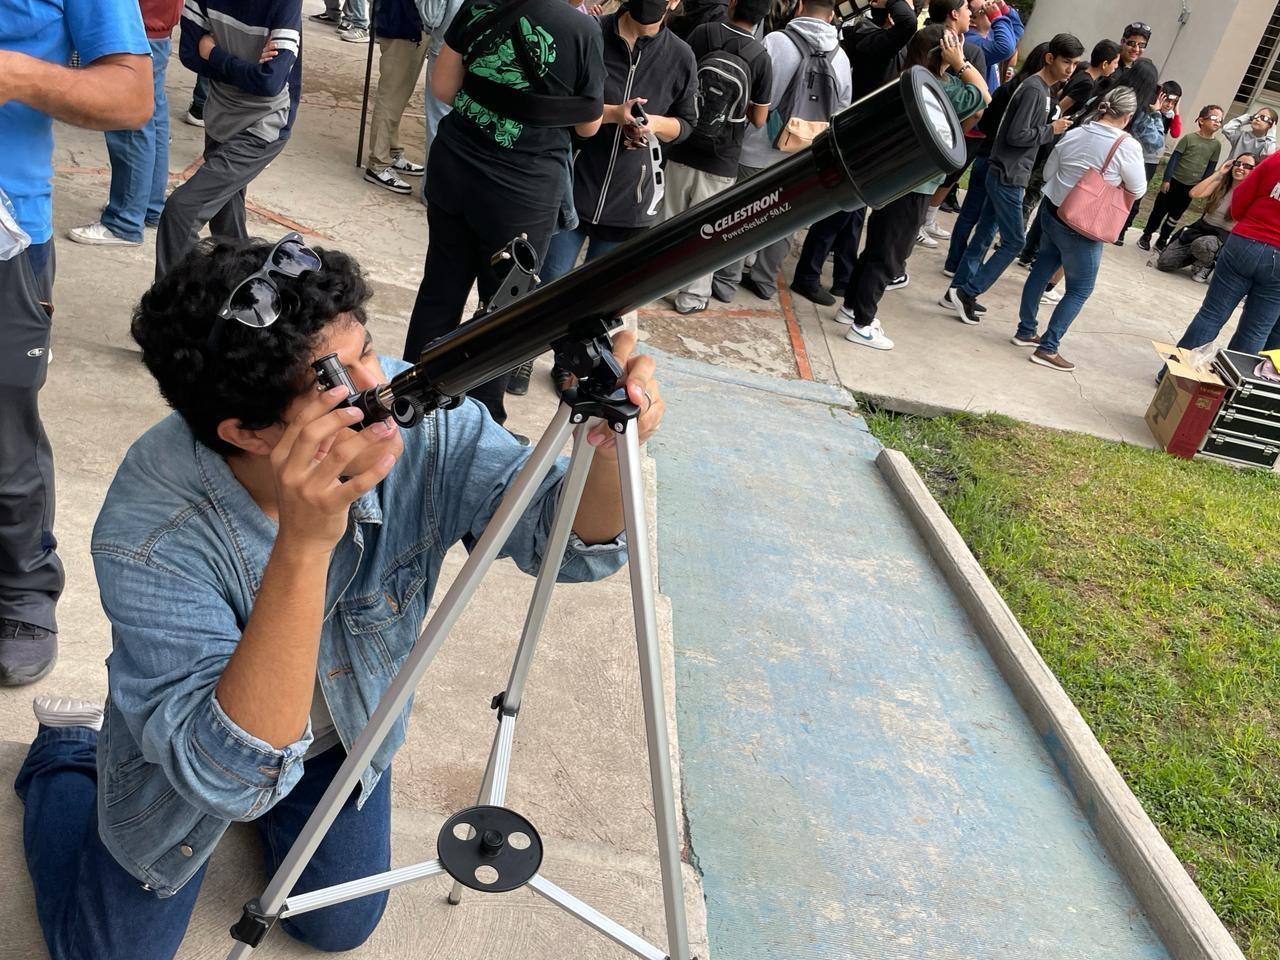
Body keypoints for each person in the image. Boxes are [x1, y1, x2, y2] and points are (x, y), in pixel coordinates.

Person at [15, 235, 665, 960]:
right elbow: (225, 777)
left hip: (339, 733)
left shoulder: (416, 410)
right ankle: (65, 752)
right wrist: (304, 542)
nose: (384, 392)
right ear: (249, 432)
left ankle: (287, 803)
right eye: (337, 384)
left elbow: (562, 542)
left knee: (337, 924)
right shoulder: (149, 531)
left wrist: (610, 444)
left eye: (369, 352)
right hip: (196, 759)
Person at [0, 0, 152, 686]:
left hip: (6, 234)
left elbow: (130, 95)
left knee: (4, 434)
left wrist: (14, 75)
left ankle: (22, 586)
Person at [404, 0, 606, 426]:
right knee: (502, 314)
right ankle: (481, 423)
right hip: (521, 191)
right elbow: (588, 125)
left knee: (440, 287)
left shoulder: (480, 4)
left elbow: (443, 88)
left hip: (455, 166)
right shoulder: (581, 29)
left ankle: (408, 405)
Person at [834, 25, 987, 350]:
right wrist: (961, 63)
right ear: (941, 52)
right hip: (916, 183)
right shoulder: (939, 87)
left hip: (893, 178)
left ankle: (851, 307)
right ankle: (862, 324)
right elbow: (983, 97)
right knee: (890, 256)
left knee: (877, 246)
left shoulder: (908, 78)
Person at [541, 0, 698, 283]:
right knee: (546, 285)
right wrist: (613, 114)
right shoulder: (590, 32)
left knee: (599, 296)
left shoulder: (681, 56)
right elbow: (556, 104)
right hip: (569, 191)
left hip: (631, 204)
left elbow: (686, 123)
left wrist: (653, 125)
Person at [710, 0, 851, 303]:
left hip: (756, 147)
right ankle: (764, 280)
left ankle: (726, 281)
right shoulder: (841, 58)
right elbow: (840, 110)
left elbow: (753, 89)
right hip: (802, 156)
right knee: (785, 220)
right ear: (832, 16)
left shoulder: (776, 41)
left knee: (741, 215)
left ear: (799, 7)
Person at [155, 0, 304, 280]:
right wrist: (247, 67)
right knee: (227, 227)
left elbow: (270, 82)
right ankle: (244, 290)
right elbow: (189, 54)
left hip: (264, 126)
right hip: (220, 118)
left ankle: (171, 303)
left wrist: (214, 53)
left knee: (181, 209)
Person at [941, 32, 1081, 325]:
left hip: (1009, 171)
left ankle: (958, 291)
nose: (1070, 69)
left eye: (1075, 64)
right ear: (1050, 58)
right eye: (1066, 62)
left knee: (984, 235)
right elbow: (1017, 135)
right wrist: (1052, 130)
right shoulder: (1034, 90)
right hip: (1008, 174)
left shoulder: (1040, 89)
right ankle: (967, 291)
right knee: (1015, 241)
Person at [788, 0, 916, 305]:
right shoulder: (869, 38)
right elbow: (909, 23)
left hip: (867, 137)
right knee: (839, 210)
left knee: (855, 213)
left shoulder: (877, 38)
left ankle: (844, 277)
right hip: (856, 136)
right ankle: (807, 275)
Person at [1012, 88, 1145, 372]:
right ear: (1128, 116)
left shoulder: (1075, 132)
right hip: (1084, 223)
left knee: (1041, 269)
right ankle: (1048, 347)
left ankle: (1025, 330)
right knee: (1081, 288)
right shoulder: (1127, 146)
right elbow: (1139, 188)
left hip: (1053, 210)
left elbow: (1049, 172)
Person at [661, 0, 773, 313]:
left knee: (666, 221)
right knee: (705, 233)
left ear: (733, 3)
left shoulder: (704, 33)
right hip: (722, 158)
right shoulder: (761, 57)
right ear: (763, 17)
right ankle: (693, 296)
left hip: (684, 143)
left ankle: (654, 282)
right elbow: (760, 119)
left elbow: (680, 80)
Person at [67, 1, 183, 248]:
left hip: (134, 24)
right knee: (153, 113)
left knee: (129, 119)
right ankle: (147, 206)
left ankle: (124, 221)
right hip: (153, 22)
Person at [942, 40, 1046, 276]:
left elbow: (985, 118)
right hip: (1004, 165)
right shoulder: (1034, 93)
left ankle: (953, 263)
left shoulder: (1009, 87)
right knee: (988, 224)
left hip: (985, 154)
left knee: (969, 214)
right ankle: (967, 271)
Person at [1175, 149, 1280, 355]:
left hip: (1245, 242)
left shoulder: (1276, 159)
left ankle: (1177, 371)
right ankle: (1232, 376)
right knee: (1255, 331)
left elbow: (1242, 197)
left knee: (1211, 314)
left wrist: (1245, 220)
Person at [925, 0, 988, 217]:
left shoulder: (921, 37)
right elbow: (980, 104)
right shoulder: (967, 55)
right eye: (966, 8)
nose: (970, 13)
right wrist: (961, 64)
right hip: (937, 151)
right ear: (954, 13)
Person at [1157, 154, 1258, 283]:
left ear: (1255, 170)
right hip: (1202, 229)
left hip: (1223, 237)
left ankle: (1208, 264)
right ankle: (1198, 257)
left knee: (1202, 244)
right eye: (1238, 163)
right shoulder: (1220, 185)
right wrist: (1219, 173)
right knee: (1164, 263)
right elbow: (1193, 193)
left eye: (1247, 166)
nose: (1240, 168)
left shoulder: (1253, 195)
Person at [363, 0, 430, 194]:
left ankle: (391, 152)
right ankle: (379, 163)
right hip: (402, 25)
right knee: (391, 97)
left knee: (399, 95)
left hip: (413, 25)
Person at [1138, 104, 1224, 252]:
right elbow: (1174, 159)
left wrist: (1202, 186)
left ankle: (1163, 239)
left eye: (1220, 120)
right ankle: (1146, 235)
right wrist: (1166, 179)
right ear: (1201, 120)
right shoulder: (1189, 138)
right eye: (1214, 118)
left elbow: (1211, 167)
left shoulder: (1216, 145)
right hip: (1174, 182)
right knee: (1159, 210)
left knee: (1175, 215)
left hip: (1190, 187)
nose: (1217, 122)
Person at [962, 0, 1021, 94]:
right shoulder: (970, 42)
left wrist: (1004, 8)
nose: (991, 10)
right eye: (984, 10)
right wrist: (996, 17)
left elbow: (1017, 31)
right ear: (972, 21)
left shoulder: (987, 35)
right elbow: (1006, 48)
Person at [1057, 39, 1118, 119]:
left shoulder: (1083, 74)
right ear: (1105, 64)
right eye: (1115, 62)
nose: (1116, 66)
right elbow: (1060, 108)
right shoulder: (1087, 84)